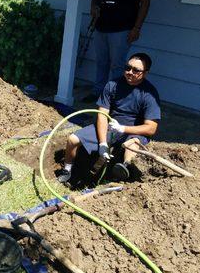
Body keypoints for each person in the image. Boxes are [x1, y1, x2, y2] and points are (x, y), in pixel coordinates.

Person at [58, 52, 160, 184]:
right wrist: (102, 144)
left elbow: (151, 128)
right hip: (110, 128)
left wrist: (123, 128)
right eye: (127, 67)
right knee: (72, 139)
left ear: (145, 73)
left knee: (132, 144)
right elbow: (102, 114)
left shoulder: (149, 94)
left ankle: (124, 167)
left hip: (132, 132)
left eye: (136, 70)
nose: (129, 72)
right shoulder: (113, 85)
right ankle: (67, 170)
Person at [85, 0, 151, 102]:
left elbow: (146, 1)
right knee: (101, 61)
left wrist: (136, 28)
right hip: (102, 25)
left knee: (117, 65)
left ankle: (114, 97)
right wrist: (93, 6)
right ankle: (98, 91)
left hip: (123, 28)